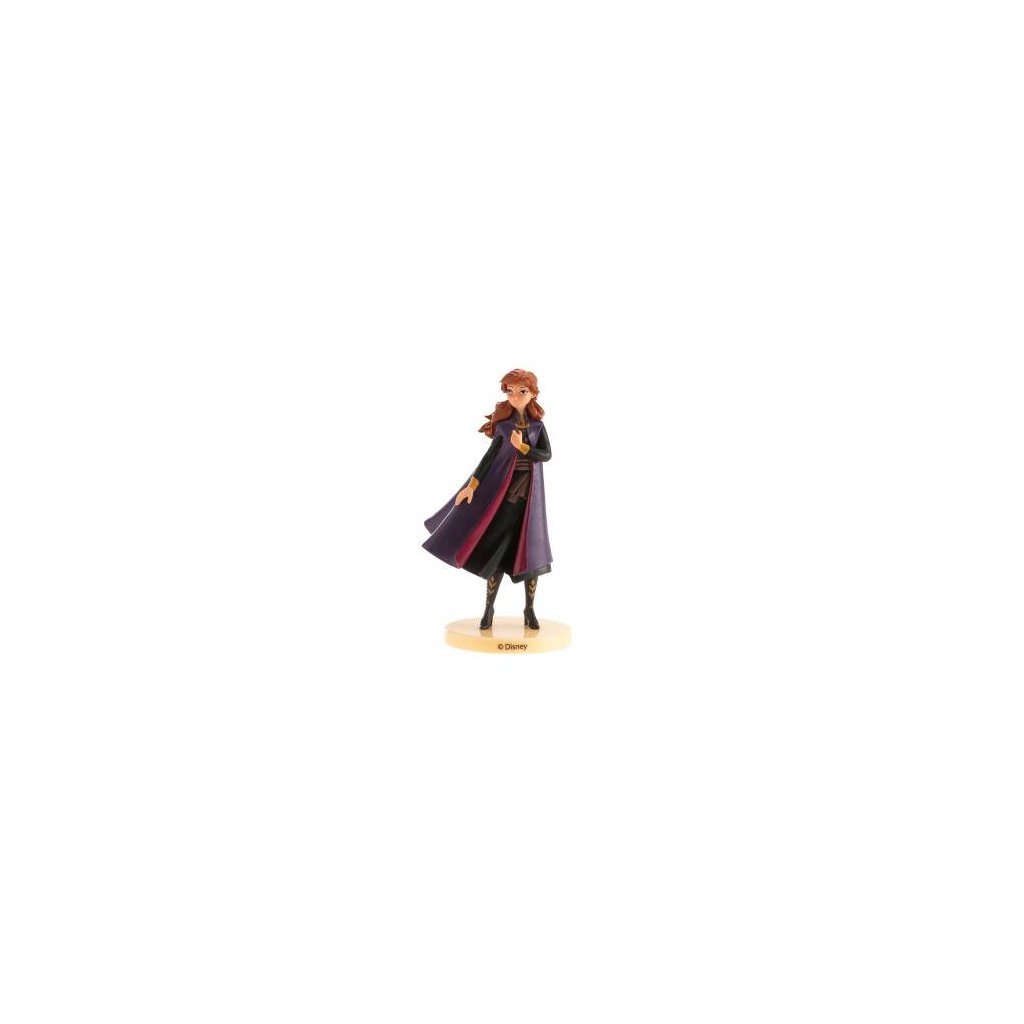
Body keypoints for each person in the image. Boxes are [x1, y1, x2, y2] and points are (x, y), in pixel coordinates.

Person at [423, 369, 553, 630]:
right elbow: (489, 459)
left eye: (522, 391)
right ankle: (488, 609)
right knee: (497, 553)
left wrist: (523, 447)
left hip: (530, 501)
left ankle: (529, 609)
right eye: (510, 391)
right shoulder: (504, 427)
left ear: (533, 394)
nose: (515, 396)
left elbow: (546, 455)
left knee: (532, 557)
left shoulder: (538, 427)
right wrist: (471, 486)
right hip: (505, 499)